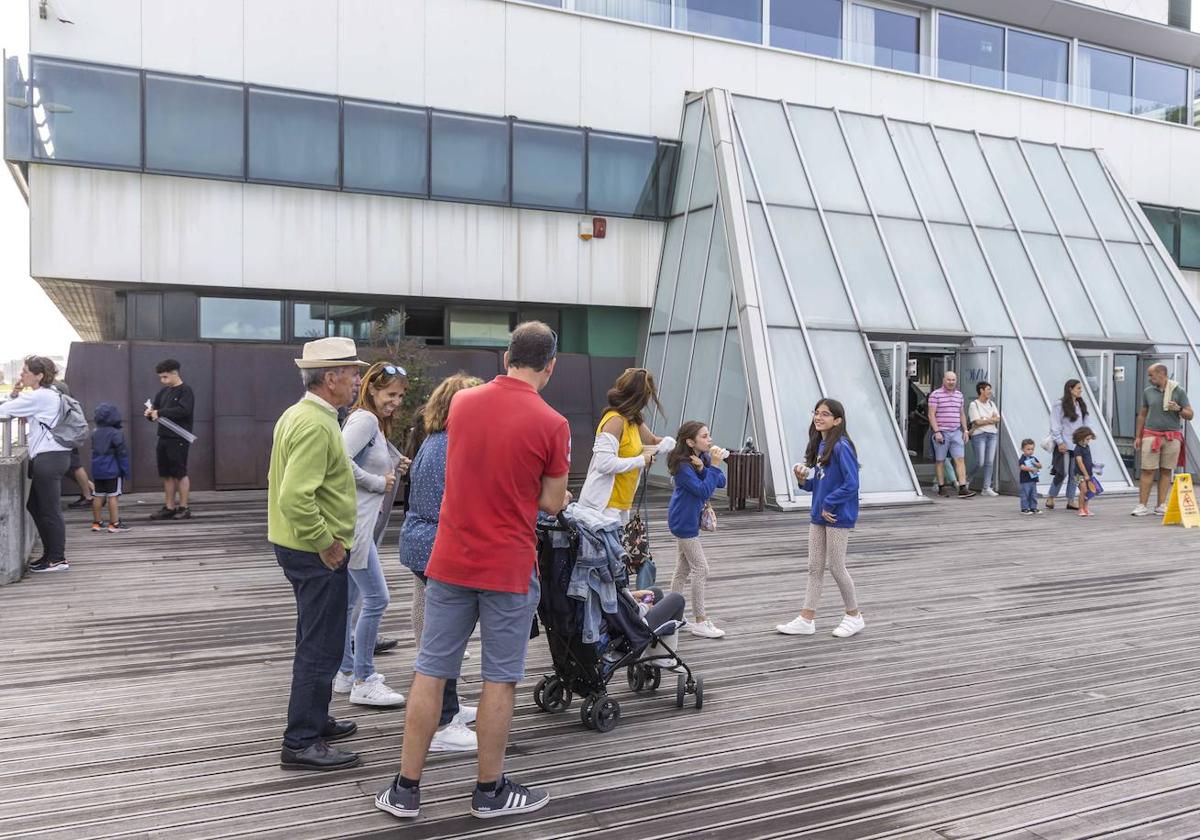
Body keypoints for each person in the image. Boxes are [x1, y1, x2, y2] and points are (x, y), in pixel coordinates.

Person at [376, 321, 570, 821]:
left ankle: (404, 789)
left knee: (431, 672)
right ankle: (489, 792)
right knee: (499, 680)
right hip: (507, 565)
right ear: (550, 365)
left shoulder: (463, 404)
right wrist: (554, 493)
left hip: (450, 559)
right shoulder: (553, 424)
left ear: (506, 358)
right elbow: (550, 501)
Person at [268, 337, 367, 772]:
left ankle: (314, 719)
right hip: (314, 550)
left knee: (316, 637)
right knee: (321, 645)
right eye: (352, 373)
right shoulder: (315, 423)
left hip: (298, 546)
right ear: (331, 378)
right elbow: (295, 496)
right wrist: (327, 543)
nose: (358, 381)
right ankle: (302, 740)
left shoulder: (302, 414)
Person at [399, 372, 485, 753]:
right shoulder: (455, 445)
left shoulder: (433, 441)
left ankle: (445, 708)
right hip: (438, 544)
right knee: (446, 636)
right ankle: (444, 720)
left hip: (420, 542)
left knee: (442, 632)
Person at [330, 362, 409, 708]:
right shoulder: (365, 420)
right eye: (390, 394)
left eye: (400, 396)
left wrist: (392, 466)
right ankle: (363, 677)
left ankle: (346, 673)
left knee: (349, 603)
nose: (395, 401)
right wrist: (379, 482)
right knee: (377, 599)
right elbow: (338, 460)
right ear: (373, 390)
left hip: (356, 525)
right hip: (357, 527)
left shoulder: (369, 422)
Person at [776, 399, 865, 639]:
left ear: (837, 420)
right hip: (819, 514)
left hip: (837, 514)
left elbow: (852, 483)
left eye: (825, 414)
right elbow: (820, 483)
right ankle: (806, 618)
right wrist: (803, 480)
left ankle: (854, 615)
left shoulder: (841, 446)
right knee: (814, 568)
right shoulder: (822, 444)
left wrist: (829, 502)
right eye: (816, 413)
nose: (818, 417)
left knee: (836, 567)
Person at [0, 356, 72, 572]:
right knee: (36, 506)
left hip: (49, 458)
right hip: (54, 457)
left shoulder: (40, 396)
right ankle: (50, 555)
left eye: (26, 371)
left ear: (39, 375)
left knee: (49, 509)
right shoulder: (49, 395)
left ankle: (57, 558)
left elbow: (4, 410)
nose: (23, 375)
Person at [577, 368, 671, 522]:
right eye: (647, 396)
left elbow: (653, 440)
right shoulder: (615, 420)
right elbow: (604, 464)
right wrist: (642, 460)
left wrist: (673, 444)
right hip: (604, 506)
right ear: (639, 397)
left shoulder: (632, 419)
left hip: (623, 503)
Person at [666, 421, 728, 640]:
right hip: (683, 521)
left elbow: (720, 482)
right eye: (704, 436)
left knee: (682, 570)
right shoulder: (682, 466)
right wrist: (713, 467)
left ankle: (670, 616)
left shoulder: (702, 458)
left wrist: (706, 468)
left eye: (708, 435)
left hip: (688, 519)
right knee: (701, 569)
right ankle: (700, 620)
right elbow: (703, 491)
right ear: (690, 441)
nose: (709, 440)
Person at [1132, 363, 1193, 516]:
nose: (1149, 378)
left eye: (1151, 375)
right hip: (1151, 435)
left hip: (1172, 437)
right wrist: (1138, 436)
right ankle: (1142, 505)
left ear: (1161, 374)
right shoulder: (1148, 392)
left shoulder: (1178, 391)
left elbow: (1190, 414)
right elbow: (1142, 414)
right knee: (1147, 470)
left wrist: (1178, 408)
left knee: (1166, 470)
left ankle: (1161, 505)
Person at [146, 359, 195, 521]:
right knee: (166, 473)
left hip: (179, 437)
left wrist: (160, 412)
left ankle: (184, 507)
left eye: (165, 377)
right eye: (161, 377)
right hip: (164, 436)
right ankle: (169, 507)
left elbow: (184, 411)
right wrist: (150, 414)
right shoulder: (163, 392)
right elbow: (155, 411)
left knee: (180, 472)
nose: (163, 380)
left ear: (175, 373)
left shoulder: (185, 391)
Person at [929, 371, 975, 498]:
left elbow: (961, 414)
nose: (951, 382)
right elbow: (931, 414)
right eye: (948, 380)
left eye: (953, 380)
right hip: (941, 432)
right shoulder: (935, 395)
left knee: (960, 459)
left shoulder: (959, 395)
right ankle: (941, 487)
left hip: (956, 432)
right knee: (940, 460)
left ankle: (962, 487)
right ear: (944, 380)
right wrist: (937, 431)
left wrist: (965, 430)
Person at [90, 403, 132, 533]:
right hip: (112, 470)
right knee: (113, 496)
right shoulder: (116, 433)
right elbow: (122, 454)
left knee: (97, 496)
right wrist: (126, 471)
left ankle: (97, 523)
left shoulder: (95, 432)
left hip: (97, 470)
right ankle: (114, 524)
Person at [1047, 380, 1088, 511]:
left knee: (1075, 474)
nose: (1081, 390)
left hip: (1077, 445)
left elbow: (1085, 423)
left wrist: (1087, 437)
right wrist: (1059, 442)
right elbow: (1055, 424)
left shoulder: (1080, 404)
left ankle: (1071, 500)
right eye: (1078, 388)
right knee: (1062, 472)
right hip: (1064, 444)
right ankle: (1051, 496)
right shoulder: (1059, 404)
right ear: (1070, 389)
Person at [967, 381, 1001, 496]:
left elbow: (998, 418)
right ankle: (967, 479)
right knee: (980, 462)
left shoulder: (991, 404)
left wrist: (984, 419)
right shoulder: (974, 404)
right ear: (981, 390)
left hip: (992, 434)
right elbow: (977, 422)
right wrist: (990, 419)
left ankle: (986, 488)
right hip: (979, 435)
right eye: (988, 389)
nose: (990, 392)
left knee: (989, 462)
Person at [1074, 427, 1099, 518]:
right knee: (1083, 490)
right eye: (1087, 439)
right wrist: (1085, 474)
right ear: (1080, 438)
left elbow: (1088, 460)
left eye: (1090, 439)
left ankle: (1086, 508)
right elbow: (1080, 463)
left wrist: (1095, 466)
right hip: (1078, 474)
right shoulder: (1078, 449)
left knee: (1088, 491)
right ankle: (1081, 509)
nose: (1089, 441)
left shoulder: (1087, 447)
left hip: (1088, 474)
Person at [1017, 439, 1042, 516]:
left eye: (1032, 449)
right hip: (1025, 480)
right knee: (1025, 494)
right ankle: (1024, 508)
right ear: (1022, 449)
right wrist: (1031, 469)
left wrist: (1036, 464)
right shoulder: (1023, 458)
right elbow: (1022, 467)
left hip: (1033, 480)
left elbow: (1040, 466)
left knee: (1033, 494)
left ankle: (1033, 507)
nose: (1030, 451)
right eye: (1028, 449)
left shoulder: (1033, 458)